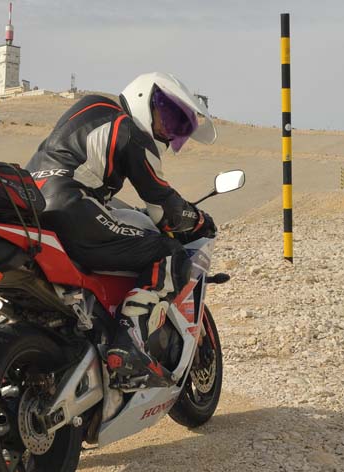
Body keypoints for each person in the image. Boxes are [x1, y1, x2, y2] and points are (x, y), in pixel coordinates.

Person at [25, 72, 217, 387]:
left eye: (177, 128)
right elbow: (163, 206)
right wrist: (197, 219)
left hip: (32, 210)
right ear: (145, 98)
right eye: (167, 118)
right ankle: (129, 342)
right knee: (170, 254)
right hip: (72, 207)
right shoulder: (128, 129)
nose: (168, 133)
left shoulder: (88, 114)